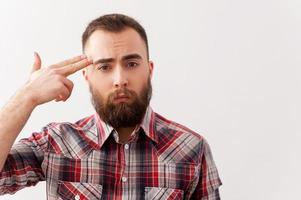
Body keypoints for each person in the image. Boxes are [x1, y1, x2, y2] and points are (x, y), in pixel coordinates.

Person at [0, 14, 222, 199]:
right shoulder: (55, 143)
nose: (120, 79)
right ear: (86, 75)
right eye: (105, 67)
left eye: (132, 64)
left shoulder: (192, 150)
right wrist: (26, 97)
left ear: (150, 70)